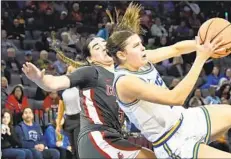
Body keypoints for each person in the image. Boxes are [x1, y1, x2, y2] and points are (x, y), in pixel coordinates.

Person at [22, 3, 200, 159]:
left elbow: (173, 49)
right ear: (91, 59)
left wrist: (199, 44)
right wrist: (39, 78)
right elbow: (54, 83)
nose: (103, 47)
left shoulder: (124, 69)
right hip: (97, 137)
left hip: (116, 136)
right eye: (96, 47)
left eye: (103, 43)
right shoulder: (90, 71)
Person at [107, 3, 231, 159]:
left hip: (185, 120)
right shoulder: (125, 82)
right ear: (122, 55)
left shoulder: (142, 60)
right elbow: (176, 98)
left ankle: (199, 148)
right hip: (172, 139)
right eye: (136, 46)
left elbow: (176, 49)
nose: (143, 48)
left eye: (141, 43)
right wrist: (201, 58)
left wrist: (205, 45)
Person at [56, 65, 81, 159]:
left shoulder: (80, 88)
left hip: (79, 119)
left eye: (72, 72)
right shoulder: (63, 91)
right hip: (68, 120)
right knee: (73, 149)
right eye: (68, 72)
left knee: (79, 148)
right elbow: (61, 109)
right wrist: (58, 124)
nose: (70, 74)